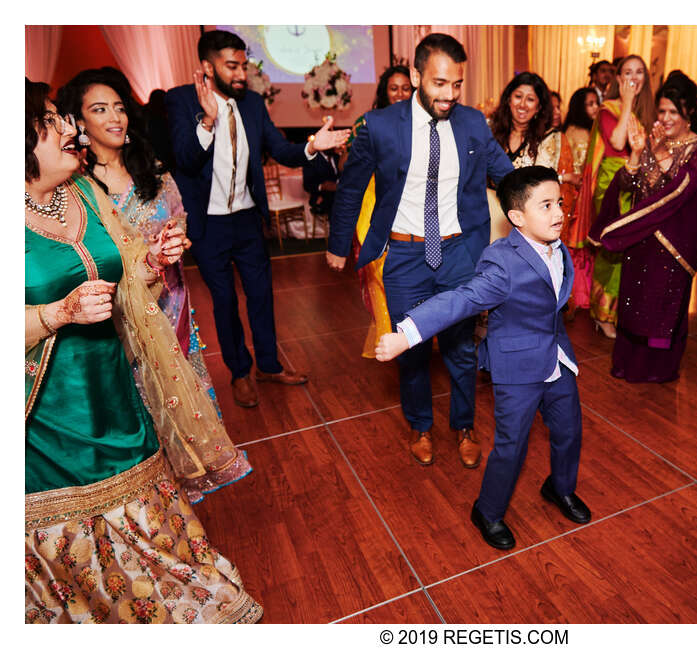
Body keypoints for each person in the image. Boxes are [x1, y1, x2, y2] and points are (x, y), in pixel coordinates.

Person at [25, 78, 262, 623]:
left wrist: (152, 259)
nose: (69, 129)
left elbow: (127, 273)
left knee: (155, 535)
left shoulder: (83, 192)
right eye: (53, 121)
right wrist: (54, 314)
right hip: (42, 421)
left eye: (65, 118)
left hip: (117, 397)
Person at [57, 68, 252, 503]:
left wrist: (175, 242)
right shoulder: (76, 187)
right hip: (118, 319)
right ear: (78, 123)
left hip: (173, 304)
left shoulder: (154, 172)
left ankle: (188, 480)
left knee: (181, 394)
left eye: (120, 107)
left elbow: (178, 219)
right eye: (99, 109)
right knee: (138, 404)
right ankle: (152, 493)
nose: (115, 117)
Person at [375, 166, 589, 551]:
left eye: (559, 202)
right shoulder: (501, 261)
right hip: (517, 367)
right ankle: (487, 511)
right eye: (546, 205)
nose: (559, 213)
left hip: (557, 357)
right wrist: (407, 334)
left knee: (570, 430)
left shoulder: (557, 246)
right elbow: (462, 299)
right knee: (512, 445)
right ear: (517, 217)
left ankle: (560, 488)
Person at [327, 33, 513, 468]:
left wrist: (541, 201)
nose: (449, 95)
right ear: (415, 76)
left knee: (461, 348)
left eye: (457, 85)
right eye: (439, 84)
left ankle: (464, 424)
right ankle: (420, 425)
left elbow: (504, 175)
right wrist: (338, 245)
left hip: (459, 253)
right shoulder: (379, 125)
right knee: (410, 348)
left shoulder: (472, 123)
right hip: (406, 256)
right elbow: (351, 187)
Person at [166, 30, 348, 408]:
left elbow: (280, 148)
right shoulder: (181, 100)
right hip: (210, 224)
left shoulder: (251, 103)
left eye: (243, 66)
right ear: (206, 66)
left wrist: (312, 145)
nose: (240, 75)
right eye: (231, 66)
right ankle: (239, 372)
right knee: (224, 302)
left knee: (262, 296)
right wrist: (207, 122)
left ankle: (268, 365)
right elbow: (184, 158)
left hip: (248, 219)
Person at [588, 74, 697, 383]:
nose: (666, 118)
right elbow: (629, 184)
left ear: (689, 113)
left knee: (661, 306)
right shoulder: (656, 141)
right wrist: (637, 152)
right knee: (635, 304)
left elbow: (678, 191)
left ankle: (657, 370)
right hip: (642, 239)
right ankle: (628, 365)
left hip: (674, 245)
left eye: (674, 111)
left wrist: (658, 156)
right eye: (662, 111)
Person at [576, 54, 657, 339]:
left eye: (639, 72)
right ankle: (603, 313)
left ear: (646, 78)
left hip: (641, 182)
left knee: (636, 249)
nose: (633, 77)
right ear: (618, 79)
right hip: (613, 184)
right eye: (627, 72)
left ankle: (624, 310)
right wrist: (627, 105)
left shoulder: (650, 112)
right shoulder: (609, 109)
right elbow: (619, 142)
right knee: (613, 247)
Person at [343, 64, 414, 359]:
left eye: (405, 88)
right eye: (393, 88)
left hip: (412, 205)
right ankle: (389, 334)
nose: (400, 93)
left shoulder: (424, 121)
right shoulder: (368, 123)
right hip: (375, 203)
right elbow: (351, 165)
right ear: (385, 92)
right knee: (382, 271)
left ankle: (415, 335)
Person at [487, 72, 579, 242]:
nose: (522, 104)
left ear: (539, 107)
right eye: (518, 96)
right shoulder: (490, 132)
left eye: (530, 99)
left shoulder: (552, 140)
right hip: (491, 221)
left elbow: (558, 191)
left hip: (532, 229)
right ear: (508, 99)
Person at [560, 87, 600, 317]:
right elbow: (583, 170)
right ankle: (580, 295)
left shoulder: (580, 131)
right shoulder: (580, 134)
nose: (596, 108)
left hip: (579, 194)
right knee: (578, 247)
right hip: (577, 195)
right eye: (590, 104)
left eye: (597, 103)